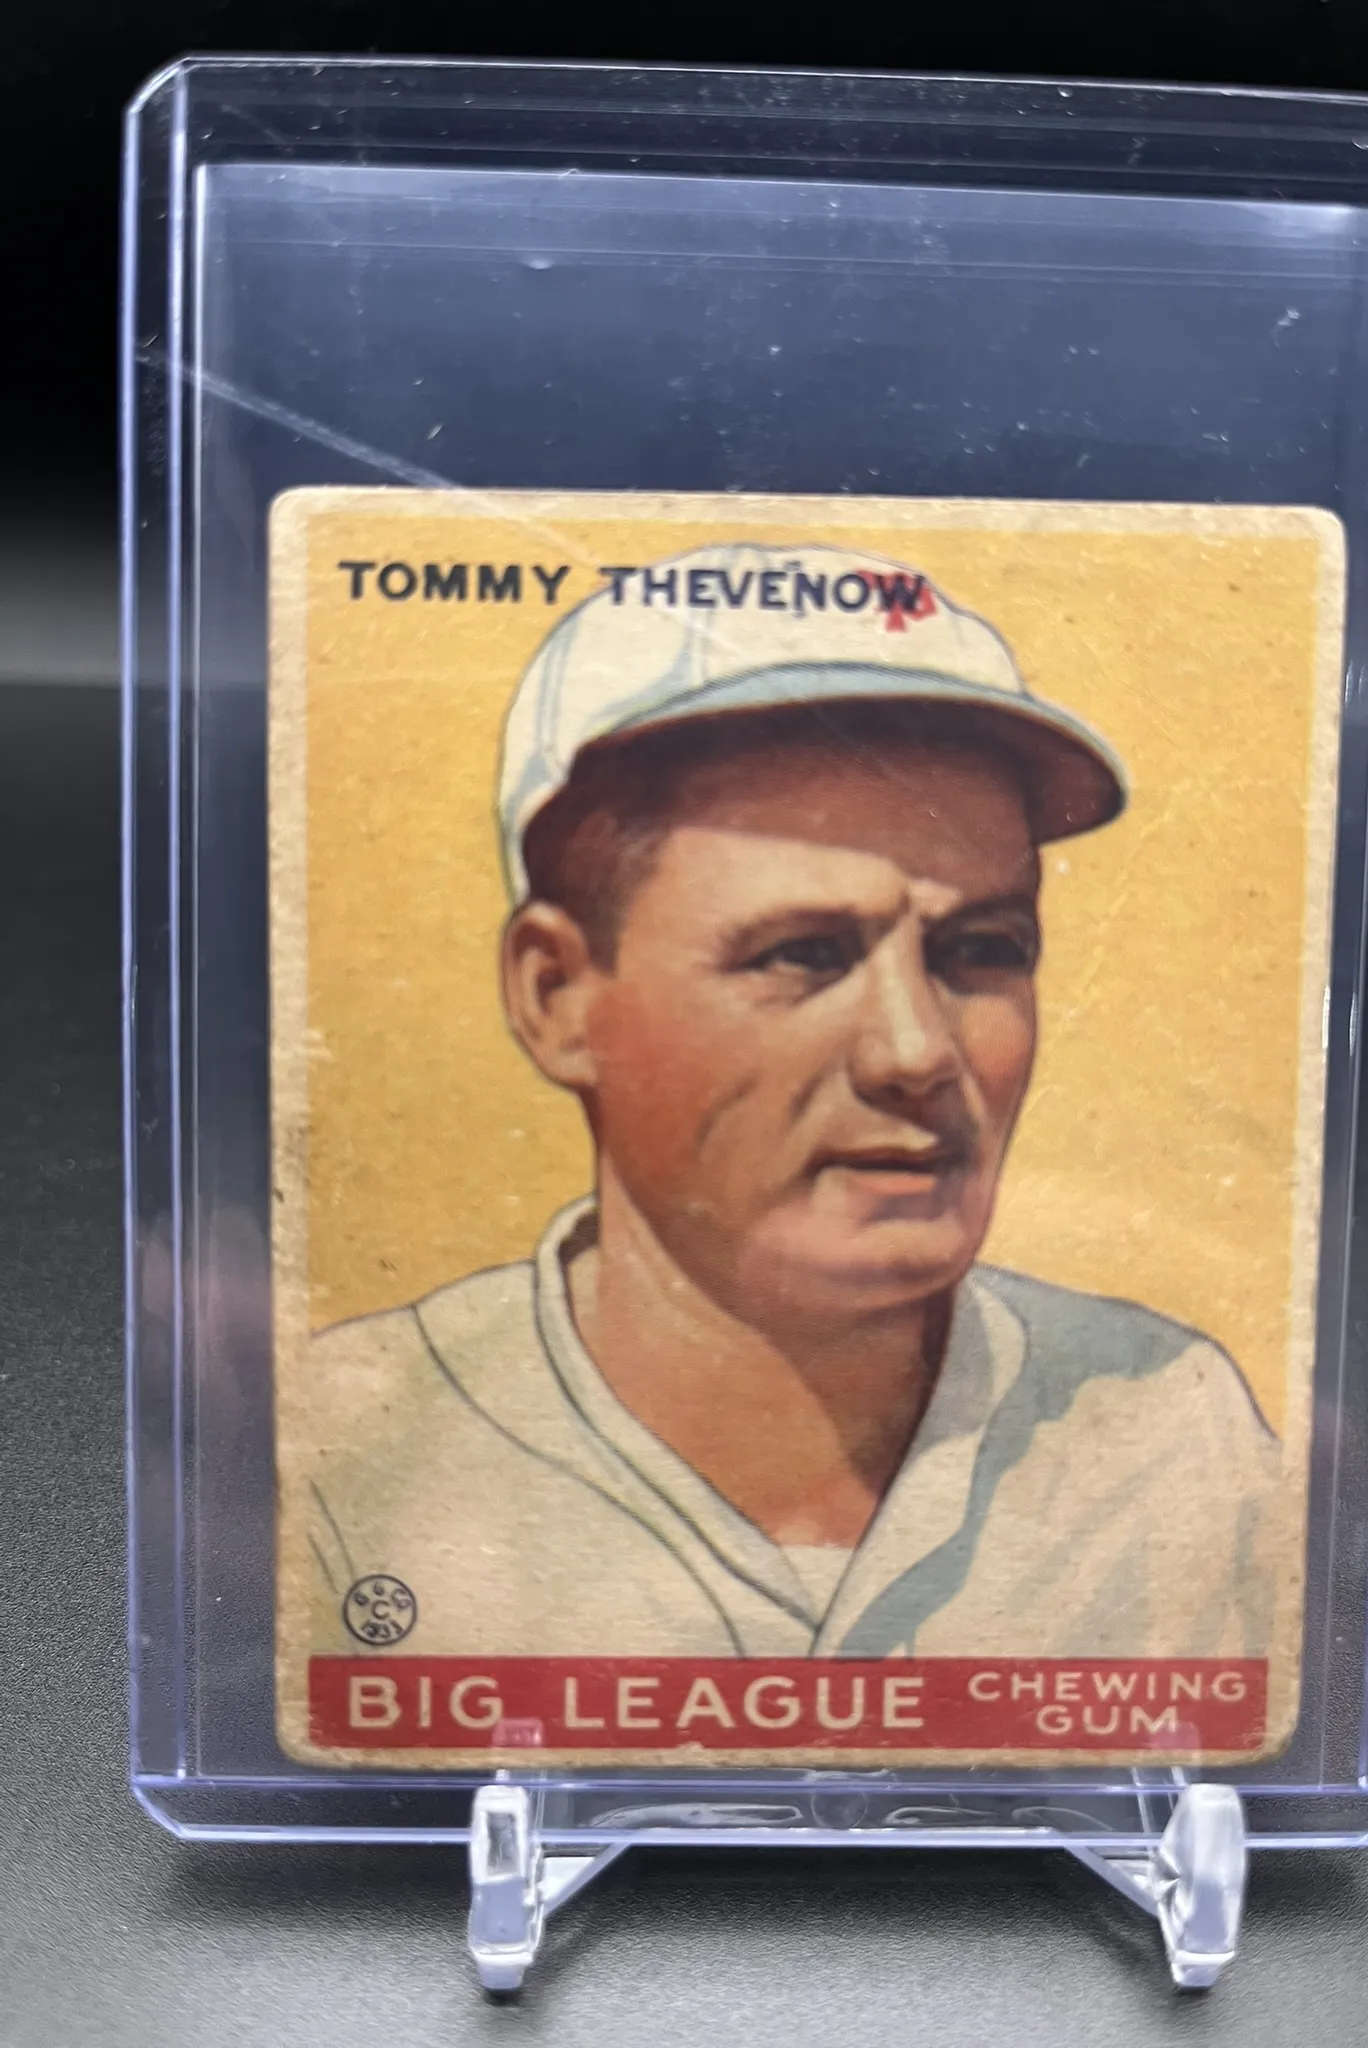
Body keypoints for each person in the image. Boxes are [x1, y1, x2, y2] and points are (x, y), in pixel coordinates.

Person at [299, 542, 1280, 1664]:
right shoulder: (349, 1447)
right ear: (557, 996)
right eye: (804, 953)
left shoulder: (1166, 1425)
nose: (915, 1050)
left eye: (982, 949)